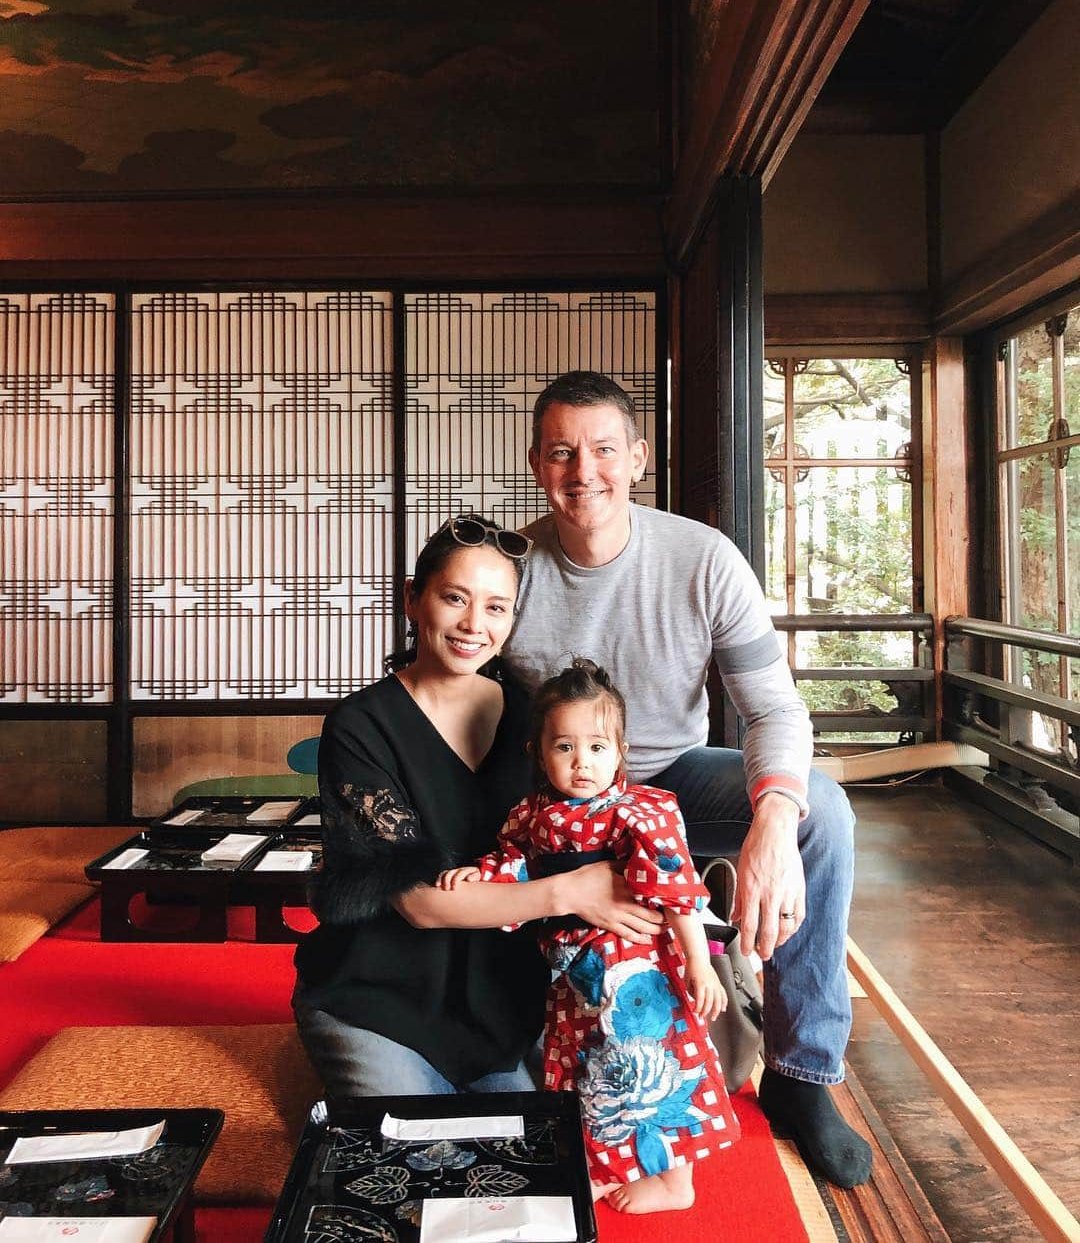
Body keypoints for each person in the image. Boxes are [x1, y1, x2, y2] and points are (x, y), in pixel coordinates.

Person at [501, 371, 873, 1189]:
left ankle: (802, 1076)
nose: (583, 470)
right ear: (536, 462)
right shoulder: (514, 569)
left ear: (636, 457)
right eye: (562, 451)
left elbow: (775, 707)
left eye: (603, 449)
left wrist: (772, 825)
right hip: (555, 797)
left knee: (824, 815)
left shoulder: (703, 559)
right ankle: (501, 1037)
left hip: (668, 782)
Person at [292, 514, 665, 1099]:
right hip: (380, 991)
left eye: (496, 607)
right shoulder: (361, 723)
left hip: (504, 994)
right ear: (413, 600)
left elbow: (599, 825)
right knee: (414, 1162)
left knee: (534, 1157)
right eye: (454, 598)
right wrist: (567, 891)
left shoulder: (534, 719)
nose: (474, 625)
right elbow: (417, 902)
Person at [438, 658, 734, 1215]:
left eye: (598, 747)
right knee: (589, 1071)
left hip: (637, 968)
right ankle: (603, 1166)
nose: (582, 763)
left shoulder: (641, 810)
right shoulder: (531, 814)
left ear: (621, 752)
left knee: (656, 1063)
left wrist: (697, 961)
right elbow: (514, 865)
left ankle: (674, 1182)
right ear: (538, 752)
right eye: (565, 747)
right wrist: (478, 874)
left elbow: (676, 888)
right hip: (573, 970)